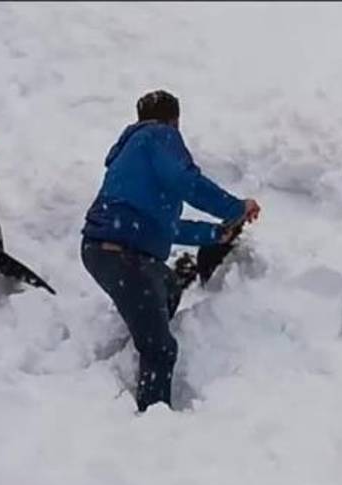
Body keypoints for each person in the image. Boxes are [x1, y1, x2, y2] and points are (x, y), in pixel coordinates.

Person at [81, 90, 261, 412]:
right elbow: (187, 182)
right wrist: (234, 208)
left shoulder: (134, 157)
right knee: (161, 350)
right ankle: (153, 424)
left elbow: (164, 228)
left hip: (105, 251)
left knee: (168, 286)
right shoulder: (158, 136)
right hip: (126, 256)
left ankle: (142, 333)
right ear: (175, 120)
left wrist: (215, 235)